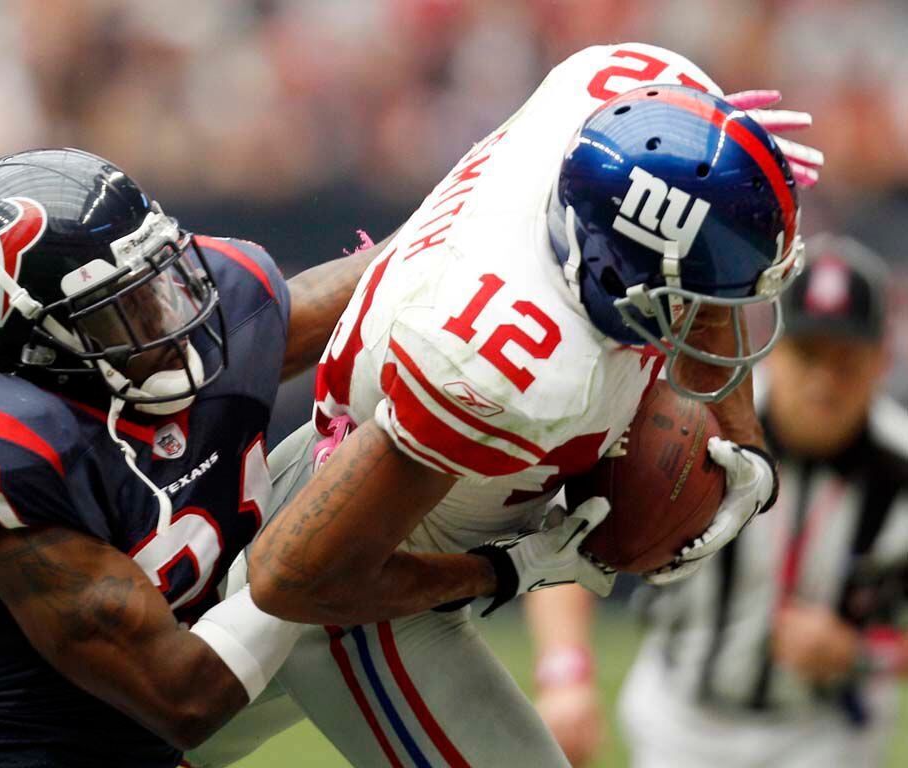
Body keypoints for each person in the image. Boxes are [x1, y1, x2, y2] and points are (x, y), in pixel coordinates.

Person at [227, 43, 821, 767]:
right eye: (700, 294)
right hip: (358, 580)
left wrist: (743, 441)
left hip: (378, 496)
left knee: (140, 741)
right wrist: (514, 567)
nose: (718, 314)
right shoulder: (513, 365)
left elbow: (696, 269)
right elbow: (292, 579)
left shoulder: (630, 104)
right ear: (626, 279)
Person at [0, 147, 386, 768]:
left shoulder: (214, 313)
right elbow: (186, 698)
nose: (163, 313)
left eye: (159, 277)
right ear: (39, 341)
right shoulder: (7, 455)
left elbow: (397, 276)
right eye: (119, 307)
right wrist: (333, 533)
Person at [529, 234, 908, 768]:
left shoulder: (900, 470)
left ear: (881, 360)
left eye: (845, 358)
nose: (825, 380)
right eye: (809, 352)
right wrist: (566, 674)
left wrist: (863, 653)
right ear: (774, 347)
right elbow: (572, 537)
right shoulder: (691, 433)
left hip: (826, 736)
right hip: (684, 724)